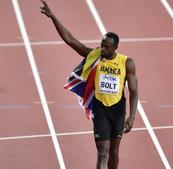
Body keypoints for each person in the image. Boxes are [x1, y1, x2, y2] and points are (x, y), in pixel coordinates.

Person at [40, 1, 138, 169]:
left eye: (107, 47)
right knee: (102, 153)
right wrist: (53, 17)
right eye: (102, 45)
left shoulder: (126, 63)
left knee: (114, 153)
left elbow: (134, 92)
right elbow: (70, 40)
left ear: (115, 47)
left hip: (118, 110)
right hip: (100, 110)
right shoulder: (95, 56)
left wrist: (132, 117)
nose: (103, 49)